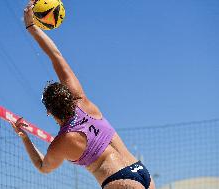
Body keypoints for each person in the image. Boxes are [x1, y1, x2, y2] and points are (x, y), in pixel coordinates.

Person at [10, 1, 156, 189]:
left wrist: (24, 136)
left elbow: (42, 166)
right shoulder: (83, 102)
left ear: (49, 112)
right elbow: (56, 57)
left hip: (118, 179)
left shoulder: (61, 142)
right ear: (69, 96)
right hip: (140, 170)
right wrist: (31, 27)